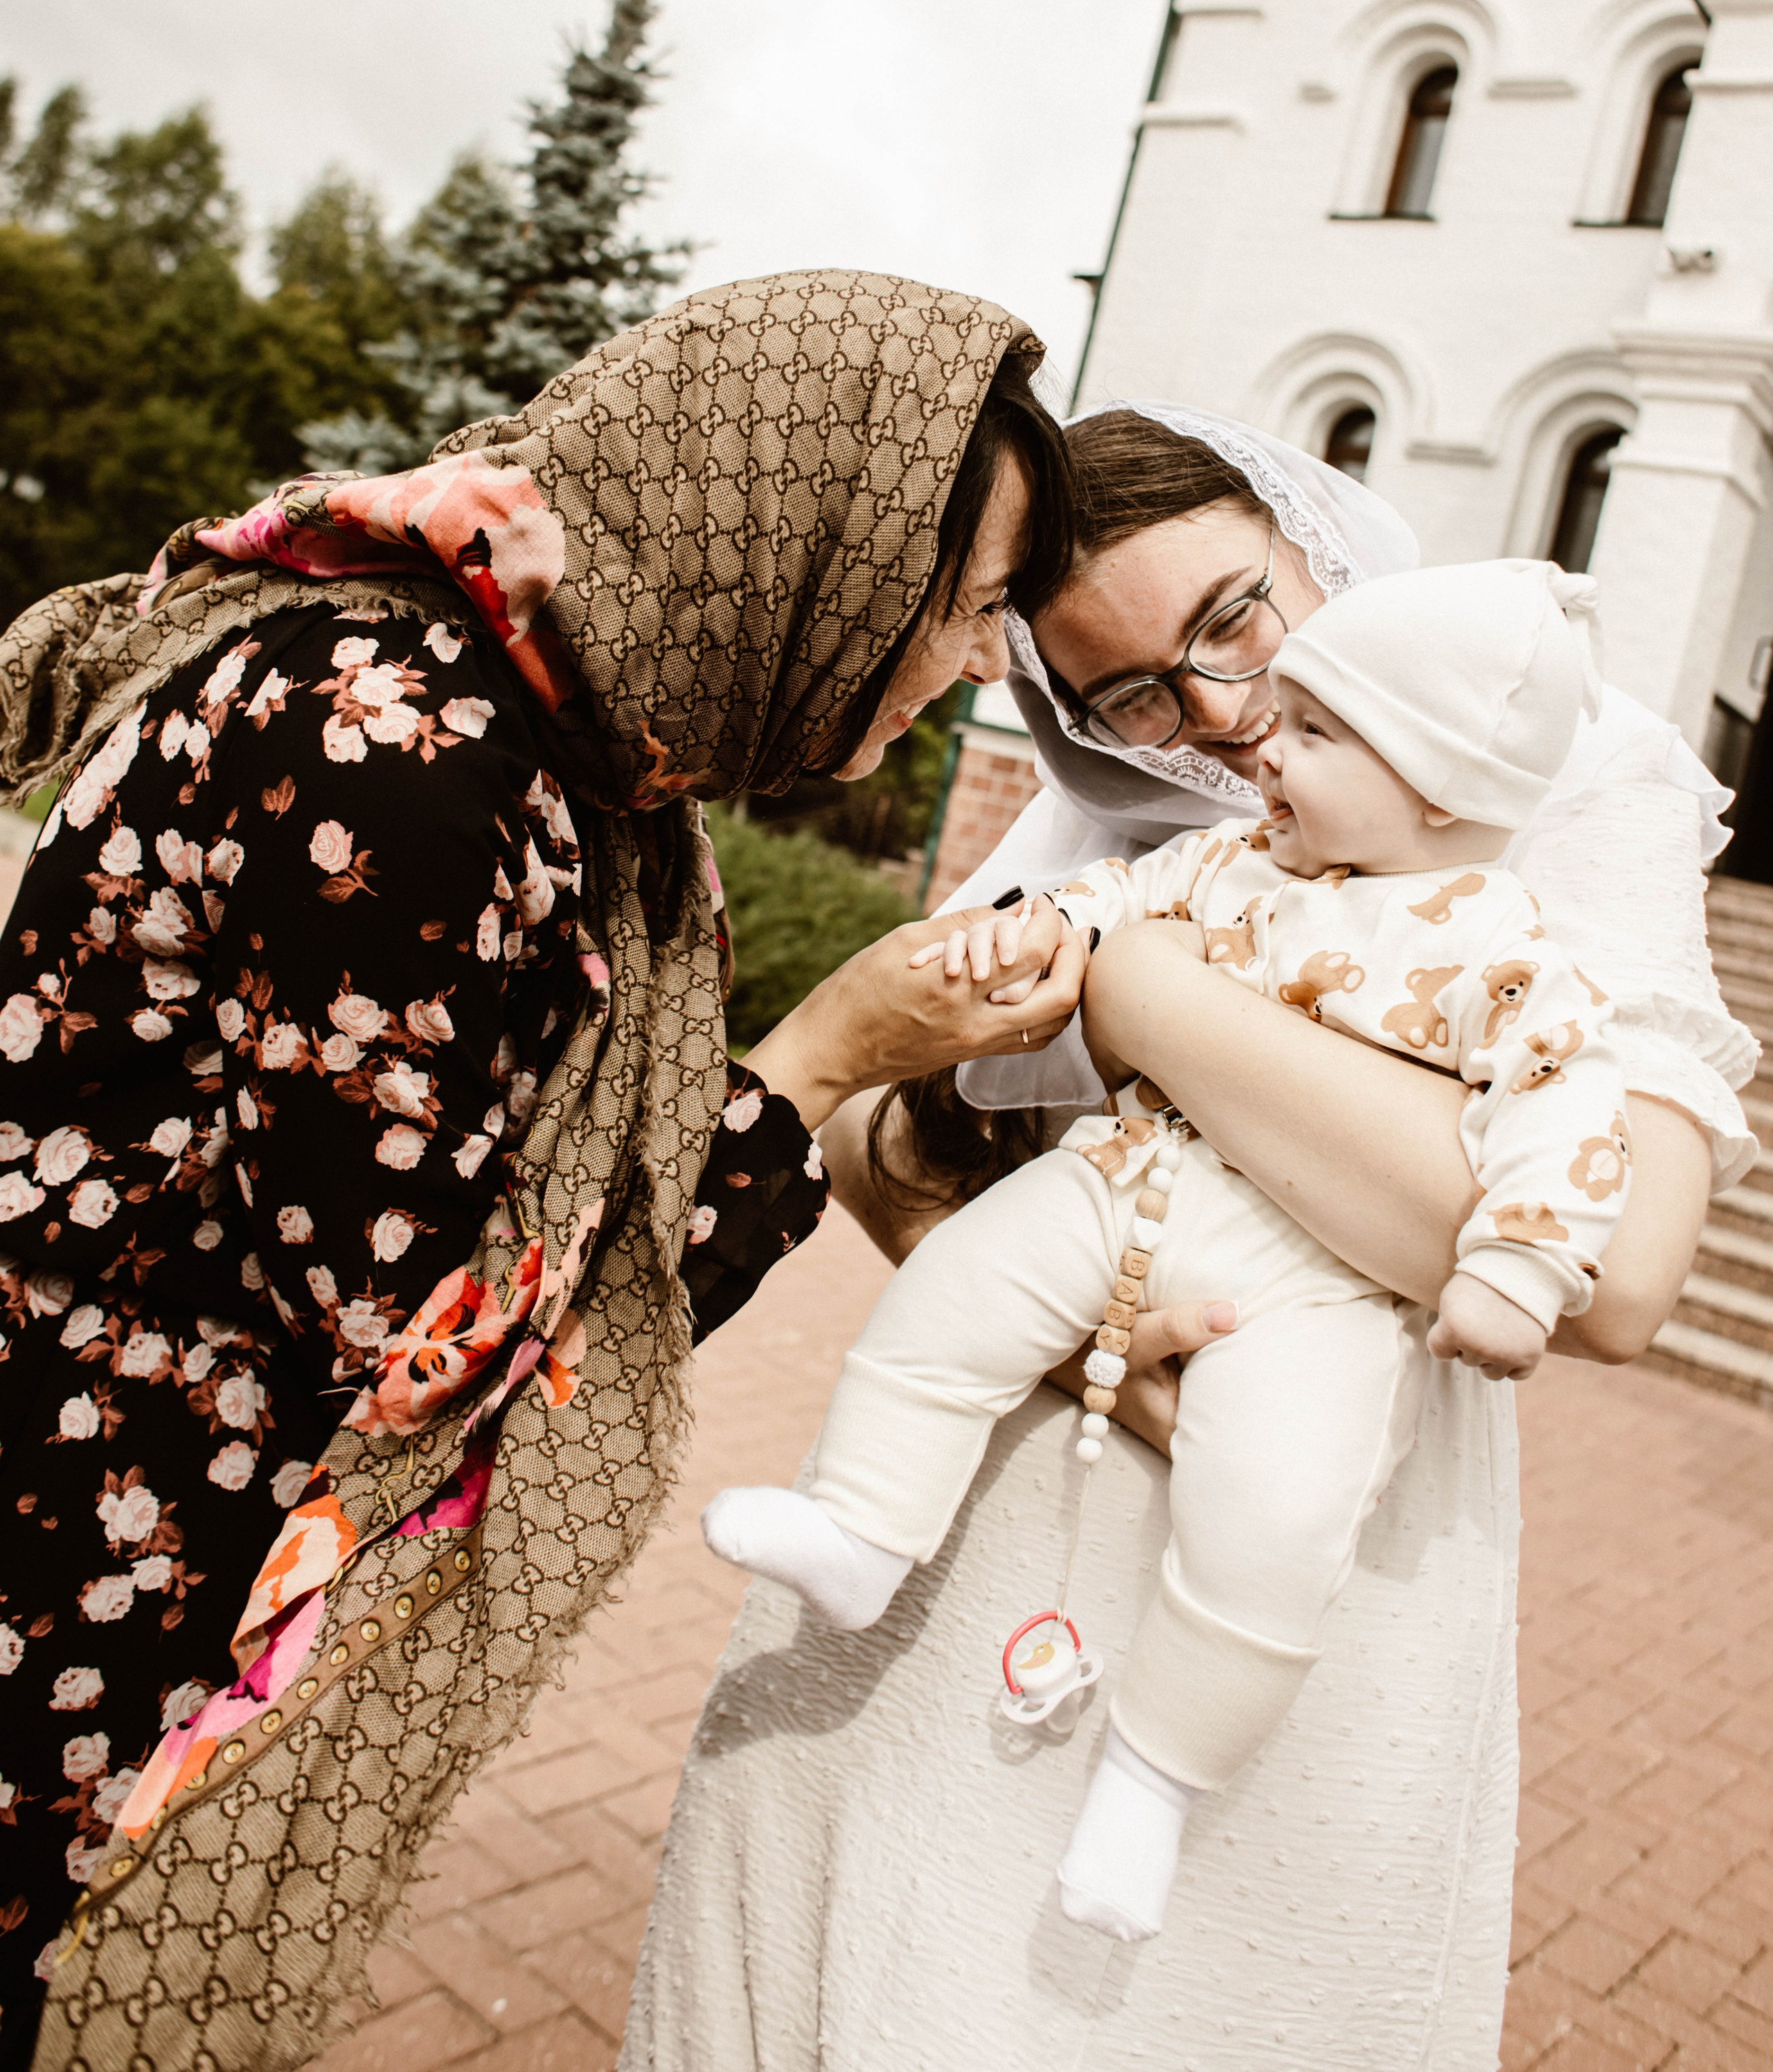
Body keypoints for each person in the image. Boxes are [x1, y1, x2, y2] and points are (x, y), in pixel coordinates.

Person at [0, 270, 1088, 2072]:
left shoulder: (558, 749)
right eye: (969, 607)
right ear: (815, 551)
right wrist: (827, 1059)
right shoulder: (406, 745)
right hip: (86, 1556)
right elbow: (429, 1339)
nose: (982, 664)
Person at [622, 404, 1755, 2072]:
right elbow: (873, 1129)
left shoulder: (1573, 773)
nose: (1219, 718)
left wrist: (1145, 997)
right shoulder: (1109, 835)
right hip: (980, 1517)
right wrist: (1076, 1309)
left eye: (1233, 617)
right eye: (1135, 694)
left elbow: (1619, 1274)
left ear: (1315, 545)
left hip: (1317, 1551)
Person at [701, 560, 1631, 1944]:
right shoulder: (1232, 858)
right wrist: (1026, 935)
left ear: (1437, 786)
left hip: (1318, 1289)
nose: (1267, 749)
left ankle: (1153, 1777)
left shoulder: (1507, 945)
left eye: (1315, 735)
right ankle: (860, 1525)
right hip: (1129, 1178)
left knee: (1275, 1515)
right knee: (956, 1296)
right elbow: (1106, 907)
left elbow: (1564, 1114)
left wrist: (1515, 1273)